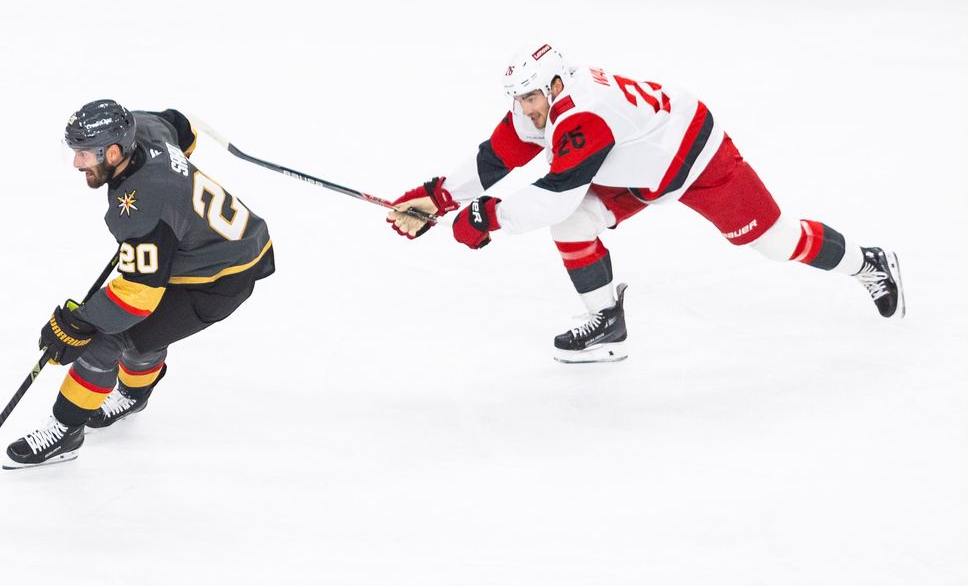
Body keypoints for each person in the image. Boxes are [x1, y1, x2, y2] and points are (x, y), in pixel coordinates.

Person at [387, 43, 904, 363]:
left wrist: (488, 217)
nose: (523, 109)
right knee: (574, 225)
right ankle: (607, 324)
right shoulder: (544, 102)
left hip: (694, 157)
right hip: (633, 163)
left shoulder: (582, 115)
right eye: (517, 100)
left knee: (775, 242)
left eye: (529, 99)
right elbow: (494, 160)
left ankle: (869, 264)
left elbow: (553, 195)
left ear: (555, 85)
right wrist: (437, 197)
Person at [4, 100, 274, 468]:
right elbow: (181, 127)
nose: (77, 163)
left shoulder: (143, 206)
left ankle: (66, 430)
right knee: (142, 332)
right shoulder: (142, 128)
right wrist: (167, 222)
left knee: (108, 339)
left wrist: (79, 322)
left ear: (114, 152)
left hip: (218, 279)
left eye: (84, 154)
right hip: (217, 247)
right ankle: (134, 393)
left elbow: (137, 298)